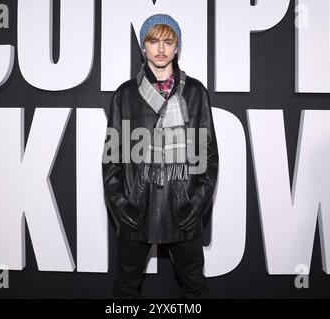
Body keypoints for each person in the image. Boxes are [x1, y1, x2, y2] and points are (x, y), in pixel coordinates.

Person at [102, 14, 219, 299]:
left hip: (183, 210)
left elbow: (208, 155)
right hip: (137, 210)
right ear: (144, 47)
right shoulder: (125, 94)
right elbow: (111, 157)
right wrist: (121, 205)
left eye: (168, 41)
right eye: (154, 41)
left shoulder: (195, 92)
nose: (161, 48)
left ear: (177, 47)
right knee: (125, 289)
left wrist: (197, 205)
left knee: (195, 288)